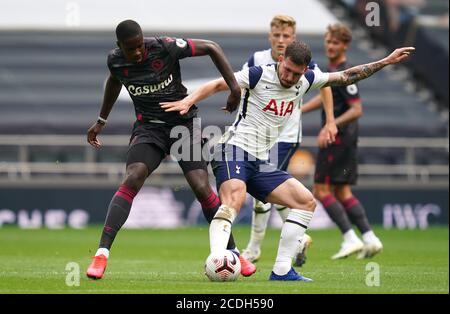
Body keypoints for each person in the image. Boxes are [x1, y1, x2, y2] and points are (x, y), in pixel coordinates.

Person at [162, 40, 414, 280]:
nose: (290, 77)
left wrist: (386, 61)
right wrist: (188, 100)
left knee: (305, 202)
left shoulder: (306, 80)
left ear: (305, 71)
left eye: (296, 74)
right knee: (234, 200)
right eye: (287, 70)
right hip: (233, 149)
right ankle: (218, 258)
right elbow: (218, 84)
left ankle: (282, 270)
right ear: (281, 59)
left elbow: (347, 76)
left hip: (259, 162)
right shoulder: (258, 74)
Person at [85, 19, 256, 279]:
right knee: (133, 176)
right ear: (119, 47)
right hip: (149, 129)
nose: (139, 52)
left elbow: (212, 47)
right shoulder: (116, 60)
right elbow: (114, 80)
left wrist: (234, 87)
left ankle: (235, 253)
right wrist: (101, 120)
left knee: (200, 186)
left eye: (141, 45)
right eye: (132, 49)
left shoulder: (164, 47)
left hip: (182, 125)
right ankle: (101, 255)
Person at [240, 15, 337, 267]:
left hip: (285, 136)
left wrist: (329, 120)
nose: (281, 40)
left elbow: (325, 84)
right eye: (277, 35)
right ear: (270, 36)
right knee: (271, 191)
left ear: (293, 38)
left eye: (286, 36)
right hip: (259, 137)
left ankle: (253, 249)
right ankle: (300, 238)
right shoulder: (257, 60)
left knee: (261, 191)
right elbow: (243, 86)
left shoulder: (305, 64)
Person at [302, 24, 383, 259]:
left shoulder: (346, 71)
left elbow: (356, 109)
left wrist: (332, 125)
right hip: (347, 139)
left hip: (338, 139)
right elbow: (325, 96)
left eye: (335, 42)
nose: (330, 46)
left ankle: (350, 237)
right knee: (342, 191)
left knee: (320, 188)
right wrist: (300, 109)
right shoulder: (334, 70)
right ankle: (370, 238)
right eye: (328, 41)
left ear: (345, 45)